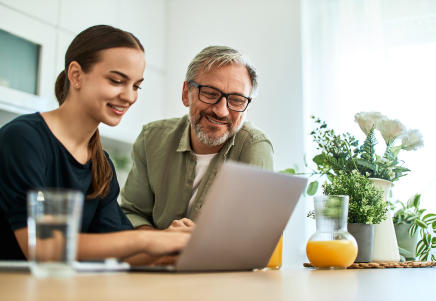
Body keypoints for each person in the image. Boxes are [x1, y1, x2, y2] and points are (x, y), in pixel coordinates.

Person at [0, 25, 190, 264]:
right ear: (76, 75)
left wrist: (176, 247)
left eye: (136, 85)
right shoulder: (23, 139)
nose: (130, 96)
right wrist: (149, 240)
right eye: (117, 80)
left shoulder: (101, 165)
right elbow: (43, 246)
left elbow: (119, 251)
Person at [120, 46, 274, 232]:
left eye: (236, 100)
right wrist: (161, 243)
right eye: (210, 93)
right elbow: (132, 213)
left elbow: (256, 232)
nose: (221, 111)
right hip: (154, 261)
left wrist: (200, 242)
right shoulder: (151, 138)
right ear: (186, 93)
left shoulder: (254, 147)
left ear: (247, 108)